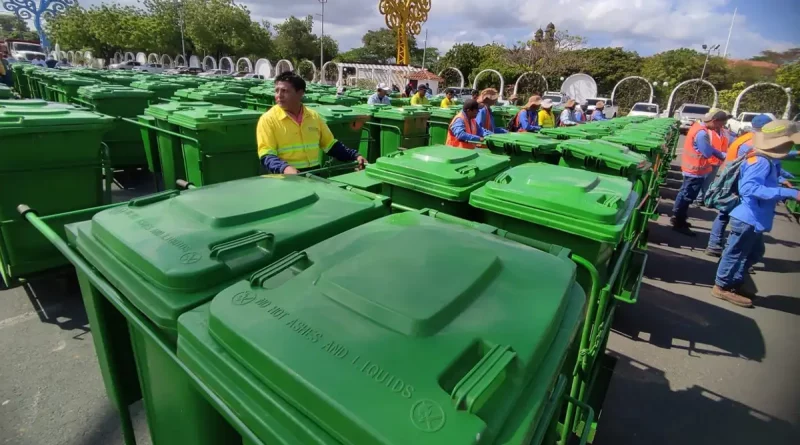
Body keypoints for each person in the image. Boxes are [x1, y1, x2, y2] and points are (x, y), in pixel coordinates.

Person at [712, 120, 800, 307]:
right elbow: (750, 188)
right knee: (735, 253)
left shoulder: (765, 158)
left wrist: (781, 180)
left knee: (754, 252)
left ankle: (734, 282)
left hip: (754, 217)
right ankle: (722, 287)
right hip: (747, 217)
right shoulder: (760, 161)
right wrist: (789, 193)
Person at [706, 114, 797, 256]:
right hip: (736, 184)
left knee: (724, 214)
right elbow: (759, 166)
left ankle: (716, 245)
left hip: (732, 179)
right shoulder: (753, 143)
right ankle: (724, 250)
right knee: (730, 217)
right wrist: (781, 182)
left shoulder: (746, 138)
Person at [257, 71, 365, 174]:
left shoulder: (313, 117)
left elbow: (331, 145)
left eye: (284, 91)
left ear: (300, 93)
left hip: (313, 174)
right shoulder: (268, 119)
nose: (279, 95)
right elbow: (266, 154)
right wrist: (284, 168)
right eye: (277, 91)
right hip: (285, 178)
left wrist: (355, 156)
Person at [670, 110, 729, 235]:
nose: (720, 127)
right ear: (714, 121)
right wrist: (720, 154)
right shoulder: (702, 134)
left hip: (691, 169)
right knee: (687, 196)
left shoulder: (697, 127)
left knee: (684, 194)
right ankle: (679, 222)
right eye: (719, 125)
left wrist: (720, 154)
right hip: (695, 171)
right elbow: (707, 152)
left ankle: (678, 217)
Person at [695, 109, 731, 205]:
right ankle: (698, 199)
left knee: (708, 182)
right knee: (701, 181)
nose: (725, 121)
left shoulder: (725, 132)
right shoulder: (707, 131)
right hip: (707, 160)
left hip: (717, 161)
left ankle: (701, 198)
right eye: (723, 119)